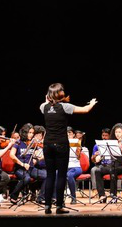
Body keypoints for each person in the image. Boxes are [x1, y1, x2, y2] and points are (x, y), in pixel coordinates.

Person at [40, 83, 97, 214]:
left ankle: (47, 206)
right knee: (61, 176)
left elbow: (46, 104)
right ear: (60, 94)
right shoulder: (65, 107)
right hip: (61, 144)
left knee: (50, 176)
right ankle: (59, 206)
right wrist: (92, 103)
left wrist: (47, 99)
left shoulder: (43, 107)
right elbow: (85, 110)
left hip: (47, 144)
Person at [92, 123, 122, 203]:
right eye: (116, 132)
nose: (117, 134)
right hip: (112, 164)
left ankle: (114, 195)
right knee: (98, 171)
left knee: (113, 170)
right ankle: (102, 195)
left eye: (120, 132)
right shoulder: (112, 142)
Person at [8, 123, 35, 201]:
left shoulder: (32, 144)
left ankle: (41, 197)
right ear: (25, 132)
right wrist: (22, 164)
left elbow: (35, 156)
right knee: (26, 178)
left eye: (32, 133)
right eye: (30, 132)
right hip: (20, 169)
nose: (31, 135)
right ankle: (13, 196)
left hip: (31, 168)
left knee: (47, 176)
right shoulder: (18, 143)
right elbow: (12, 155)